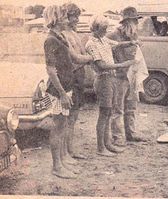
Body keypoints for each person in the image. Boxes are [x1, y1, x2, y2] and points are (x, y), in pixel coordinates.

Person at [85, 15, 137, 156]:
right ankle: (101, 147)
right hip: (103, 79)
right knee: (104, 113)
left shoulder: (103, 39)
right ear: (95, 28)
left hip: (110, 79)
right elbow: (101, 65)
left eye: (106, 28)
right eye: (103, 28)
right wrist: (122, 65)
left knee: (108, 112)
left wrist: (132, 42)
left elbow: (117, 44)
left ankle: (107, 144)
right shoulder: (91, 44)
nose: (105, 30)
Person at [43, 5, 78, 179]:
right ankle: (56, 167)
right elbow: (51, 70)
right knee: (58, 127)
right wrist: (63, 94)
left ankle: (61, 162)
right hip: (59, 91)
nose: (67, 20)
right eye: (64, 17)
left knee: (63, 125)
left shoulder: (60, 37)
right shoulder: (51, 40)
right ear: (56, 19)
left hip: (66, 88)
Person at [107, 7, 149, 146]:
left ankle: (131, 133)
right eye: (134, 21)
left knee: (131, 106)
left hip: (132, 76)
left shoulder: (134, 35)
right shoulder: (114, 35)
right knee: (117, 108)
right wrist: (128, 44)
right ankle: (118, 136)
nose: (136, 24)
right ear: (127, 22)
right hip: (118, 76)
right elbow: (107, 45)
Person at [61, 3, 93, 161]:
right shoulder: (63, 35)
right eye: (74, 16)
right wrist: (92, 58)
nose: (77, 19)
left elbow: (83, 52)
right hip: (71, 77)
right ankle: (68, 152)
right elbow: (75, 58)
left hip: (79, 77)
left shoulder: (74, 33)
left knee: (73, 117)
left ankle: (70, 150)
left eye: (77, 16)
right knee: (68, 118)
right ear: (66, 16)